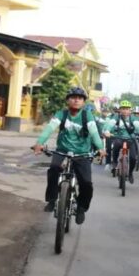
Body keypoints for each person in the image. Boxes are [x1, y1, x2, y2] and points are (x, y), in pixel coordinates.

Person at [33, 87, 106, 225]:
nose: (76, 100)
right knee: (54, 169)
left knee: (86, 183)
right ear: (67, 100)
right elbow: (49, 128)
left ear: (83, 101)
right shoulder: (62, 114)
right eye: (73, 97)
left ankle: (81, 207)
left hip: (82, 153)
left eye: (80, 98)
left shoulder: (87, 116)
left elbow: (94, 133)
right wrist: (39, 143)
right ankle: (52, 199)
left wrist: (100, 148)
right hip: (62, 150)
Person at [104, 100, 139, 183]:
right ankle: (114, 162)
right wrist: (107, 131)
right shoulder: (116, 117)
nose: (125, 110)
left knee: (133, 158)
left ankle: (130, 173)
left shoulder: (133, 118)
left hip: (131, 140)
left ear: (130, 110)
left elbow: (138, 126)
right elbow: (110, 124)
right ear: (120, 110)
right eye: (123, 108)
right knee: (116, 146)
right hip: (119, 138)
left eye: (127, 109)